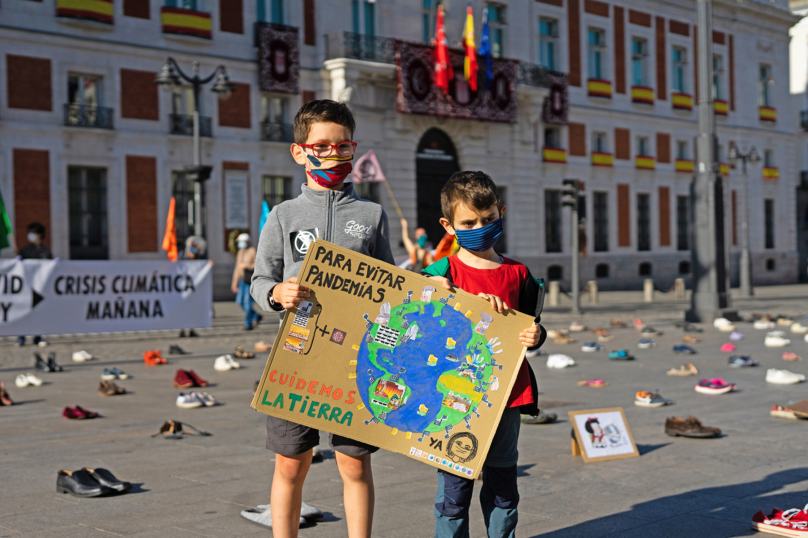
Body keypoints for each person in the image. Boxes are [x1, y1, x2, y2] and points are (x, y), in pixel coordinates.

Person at [251, 99, 395, 538]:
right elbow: (260, 280)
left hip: (357, 360)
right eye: (322, 146)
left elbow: (391, 286)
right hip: (296, 357)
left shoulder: (372, 215)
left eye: (343, 147)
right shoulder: (282, 216)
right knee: (291, 464)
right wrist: (276, 294)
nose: (334, 155)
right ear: (300, 152)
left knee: (355, 463)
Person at [422, 171, 545, 538]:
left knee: (504, 483)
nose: (481, 227)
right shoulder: (440, 273)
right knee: (454, 490)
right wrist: (442, 295)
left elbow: (533, 328)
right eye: (469, 222)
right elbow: (419, 325)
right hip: (453, 398)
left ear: (501, 213)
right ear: (448, 225)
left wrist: (536, 336)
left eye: (489, 219)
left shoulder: (519, 273)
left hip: (508, 394)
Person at [16, 222, 52, 347]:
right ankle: (21, 336)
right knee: (23, 311)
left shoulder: (46, 251)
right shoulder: (24, 251)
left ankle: (38, 336)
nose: (30, 236)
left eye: (33, 233)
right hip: (26, 287)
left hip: (41, 287)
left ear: (40, 235)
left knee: (39, 311)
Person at [177, 235, 208, 338]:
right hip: (183, 289)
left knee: (193, 310)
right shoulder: (181, 256)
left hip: (194, 290)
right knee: (182, 310)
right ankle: (182, 329)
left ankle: (191, 329)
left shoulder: (199, 257)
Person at [231, 233, 261, 330]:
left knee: (247, 303)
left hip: (249, 280)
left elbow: (257, 265)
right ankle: (256, 315)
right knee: (239, 301)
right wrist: (234, 283)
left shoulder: (252, 251)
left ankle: (248, 324)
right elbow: (237, 268)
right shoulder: (240, 252)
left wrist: (246, 266)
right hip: (241, 280)